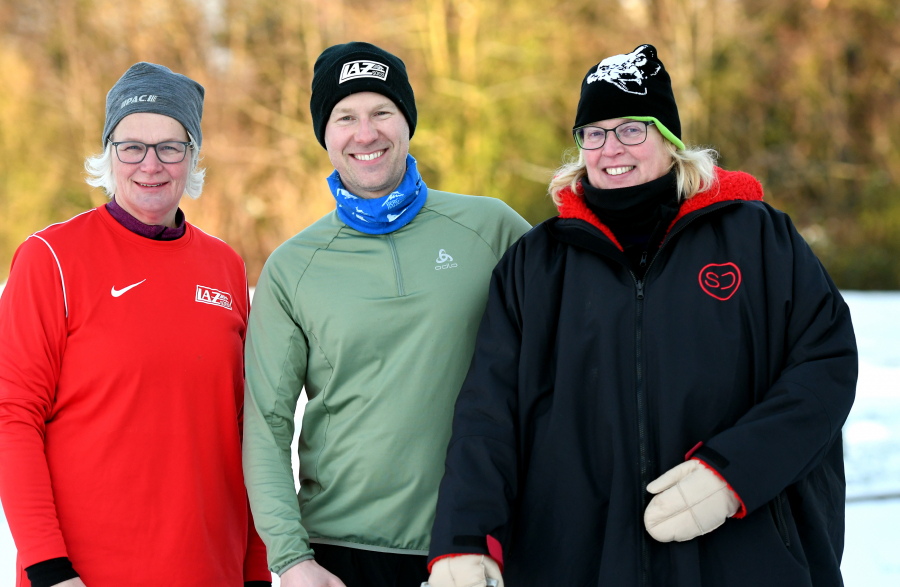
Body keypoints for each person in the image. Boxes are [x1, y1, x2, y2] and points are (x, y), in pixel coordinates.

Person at [426, 44, 857, 587]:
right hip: (579, 562)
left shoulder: (759, 239)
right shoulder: (536, 266)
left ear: (670, 140)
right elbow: (488, 414)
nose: (611, 149)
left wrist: (733, 475)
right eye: (594, 132)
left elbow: (826, 367)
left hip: (742, 558)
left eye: (632, 128)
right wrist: (465, 540)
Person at [241, 42, 531, 587]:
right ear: (325, 136)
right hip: (342, 555)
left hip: (477, 544)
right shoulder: (293, 267)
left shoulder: (492, 229)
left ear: (407, 122)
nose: (365, 133)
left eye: (382, 112)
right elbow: (266, 423)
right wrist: (290, 557)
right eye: (345, 117)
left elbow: (570, 349)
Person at [0, 63, 270, 587]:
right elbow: (12, 419)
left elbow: (244, 431)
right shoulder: (50, 258)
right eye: (131, 146)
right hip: (85, 576)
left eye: (171, 146)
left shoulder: (226, 267)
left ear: (192, 157)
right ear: (108, 153)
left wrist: (256, 570)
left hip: (211, 573)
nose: (151, 164)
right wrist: (48, 568)